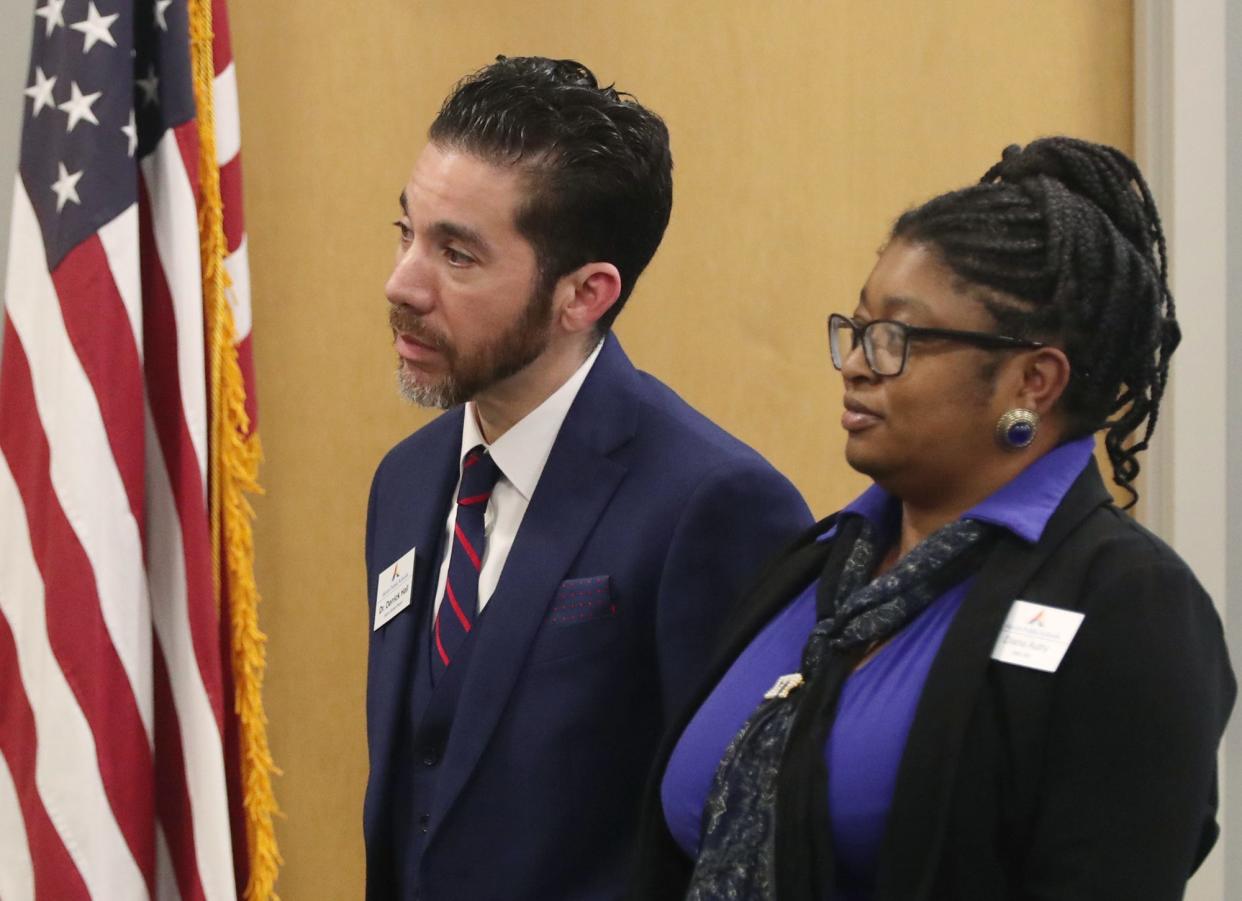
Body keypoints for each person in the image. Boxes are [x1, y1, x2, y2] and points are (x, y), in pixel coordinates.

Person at [631, 137, 1235, 901]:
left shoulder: (1128, 604)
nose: (856, 362)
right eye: (856, 330)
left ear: (1033, 379)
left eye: (898, 340)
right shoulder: (819, 566)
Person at [363, 56, 811, 900]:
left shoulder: (713, 505)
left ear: (585, 294)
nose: (402, 284)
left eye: (456, 254)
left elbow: (742, 844)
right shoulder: (406, 480)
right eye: (406, 232)